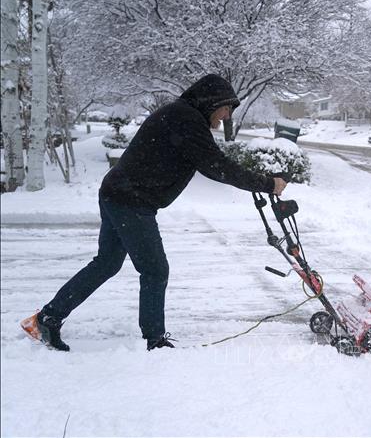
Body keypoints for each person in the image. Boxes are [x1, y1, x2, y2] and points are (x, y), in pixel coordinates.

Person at [20, 74, 287, 351]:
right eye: (227, 108)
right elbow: (217, 166)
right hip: (131, 201)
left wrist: (260, 180)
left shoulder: (181, 115)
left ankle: (46, 319)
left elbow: (214, 162)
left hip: (118, 193)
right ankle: (154, 340)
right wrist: (268, 183)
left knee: (107, 264)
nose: (227, 116)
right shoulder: (187, 120)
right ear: (212, 102)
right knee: (155, 270)